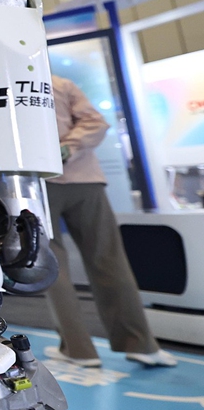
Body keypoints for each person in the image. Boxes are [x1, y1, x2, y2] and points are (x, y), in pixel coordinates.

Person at [44, 76, 176, 367]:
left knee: (53, 265)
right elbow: (96, 122)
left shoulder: (3, 80)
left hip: (39, 182)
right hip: (84, 177)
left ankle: (78, 349)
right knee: (108, 258)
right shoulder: (60, 84)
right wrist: (70, 146)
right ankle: (140, 343)